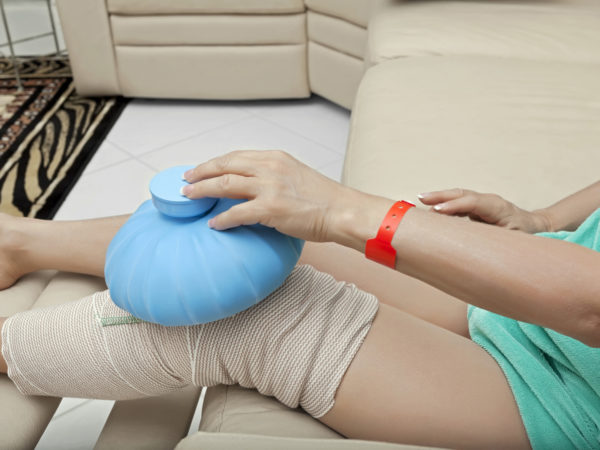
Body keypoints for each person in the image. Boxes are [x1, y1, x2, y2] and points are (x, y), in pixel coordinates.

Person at [1, 150, 599, 450]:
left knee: (241, 313)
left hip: (571, 384)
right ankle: (21, 243)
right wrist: (545, 221)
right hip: (560, 276)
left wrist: (345, 210)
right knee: (258, 229)